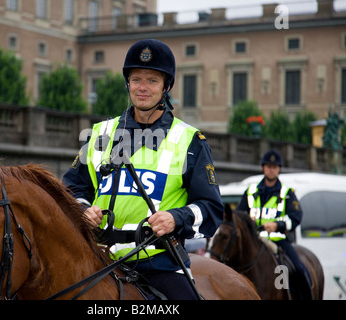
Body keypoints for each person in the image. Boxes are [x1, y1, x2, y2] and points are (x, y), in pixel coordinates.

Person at [62, 39, 224, 300]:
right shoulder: (100, 132)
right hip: (96, 258)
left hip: (158, 264)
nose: (143, 88)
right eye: (136, 79)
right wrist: (82, 210)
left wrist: (175, 218)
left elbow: (211, 208)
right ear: (128, 84)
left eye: (152, 80)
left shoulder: (190, 140)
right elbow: (71, 189)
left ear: (166, 87)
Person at [236, 149, 313, 300]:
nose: (271, 169)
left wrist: (278, 225)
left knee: (298, 269)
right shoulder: (250, 191)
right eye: (268, 166)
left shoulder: (287, 193)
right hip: (254, 241)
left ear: (279, 169)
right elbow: (239, 215)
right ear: (263, 167)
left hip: (278, 242)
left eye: (274, 166)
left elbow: (296, 216)